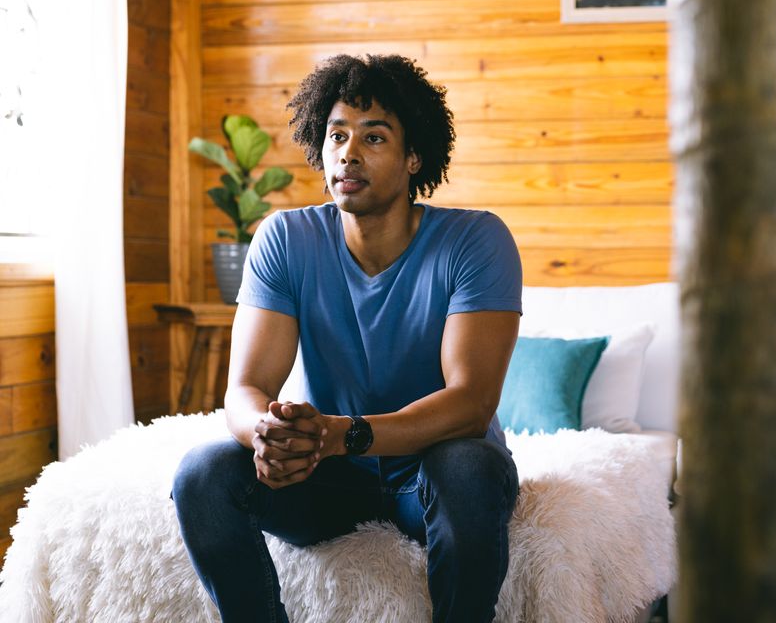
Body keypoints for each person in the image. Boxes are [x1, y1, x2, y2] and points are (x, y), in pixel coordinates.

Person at [171, 53, 523, 623]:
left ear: (414, 157)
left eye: (374, 137)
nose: (348, 153)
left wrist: (343, 434)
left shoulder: (474, 241)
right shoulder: (286, 238)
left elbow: (471, 403)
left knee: (470, 467)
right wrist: (268, 434)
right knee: (202, 473)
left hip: (429, 472)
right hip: (325, 473)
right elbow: (246, 387)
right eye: (336, 135)